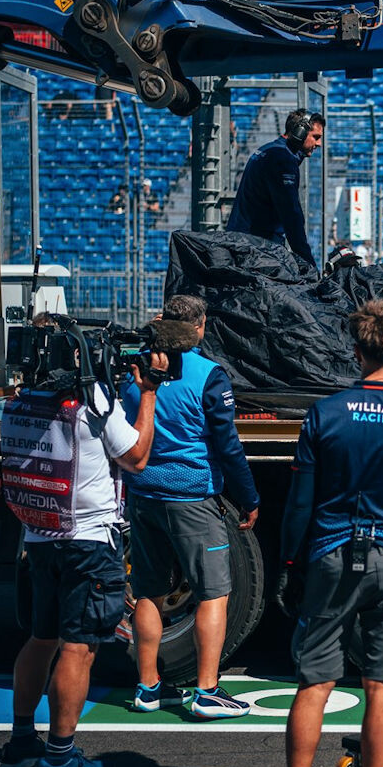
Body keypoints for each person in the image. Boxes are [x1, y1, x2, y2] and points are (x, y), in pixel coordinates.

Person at [281, 300, 383, 767]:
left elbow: (298, 505)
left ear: (357, 352)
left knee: (314, 682)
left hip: (332, 552)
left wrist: (291, 566)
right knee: (382, 685)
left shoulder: (325, 413)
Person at [0, 316, 166, 767]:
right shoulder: (92, 402)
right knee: (78, 648)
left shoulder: (18, 401)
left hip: (40, 534)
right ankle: (60, 755)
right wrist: (147, 393)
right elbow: (137, 457)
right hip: (89, 541)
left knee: (41, 638)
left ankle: (21, 741)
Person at [121, 295, 260, 721]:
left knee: (148, 592)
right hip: (193, 499)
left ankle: (148, 688)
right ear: (199, 326)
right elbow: (228, 447)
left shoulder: (135, 372)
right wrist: (249, 497)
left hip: (143, 494)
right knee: (213, 593)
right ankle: (207, 691)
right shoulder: (208, 375)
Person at [226, 108, 325, 270]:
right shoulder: (282, 160)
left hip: (245, 242)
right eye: (316, 137)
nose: (319, 144)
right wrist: (309, 264)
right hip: (256, 248)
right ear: (299, 132)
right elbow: (291, 215)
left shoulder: (268, 150)